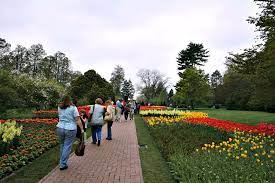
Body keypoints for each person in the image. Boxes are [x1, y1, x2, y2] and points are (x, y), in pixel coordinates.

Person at [56, 95, 84, 171]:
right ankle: (62, 164)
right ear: (70, 100)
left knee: (62, 145)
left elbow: (59, 116)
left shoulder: (59, 107)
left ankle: (61, 161)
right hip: (70, 128)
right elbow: (78, 120)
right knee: (67, 146)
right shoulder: (73, 108)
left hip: (60, 127)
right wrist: (82, 129)